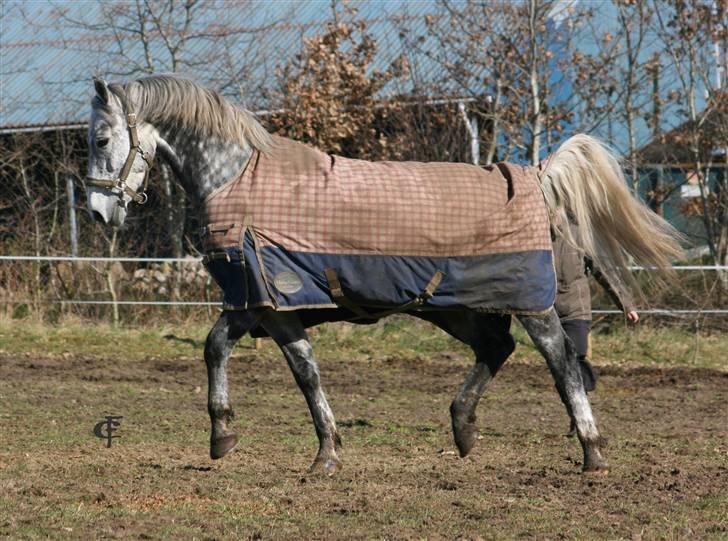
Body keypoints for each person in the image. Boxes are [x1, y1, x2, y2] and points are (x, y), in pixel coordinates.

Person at [552, 222, 639, 435]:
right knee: (561, 367)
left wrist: (625, 304)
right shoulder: (535, 236)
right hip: (547, 312)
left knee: (577, 356)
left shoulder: (578, 236)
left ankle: (581, 409)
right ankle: (575, 411)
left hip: (576, 310)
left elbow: (605, 272)